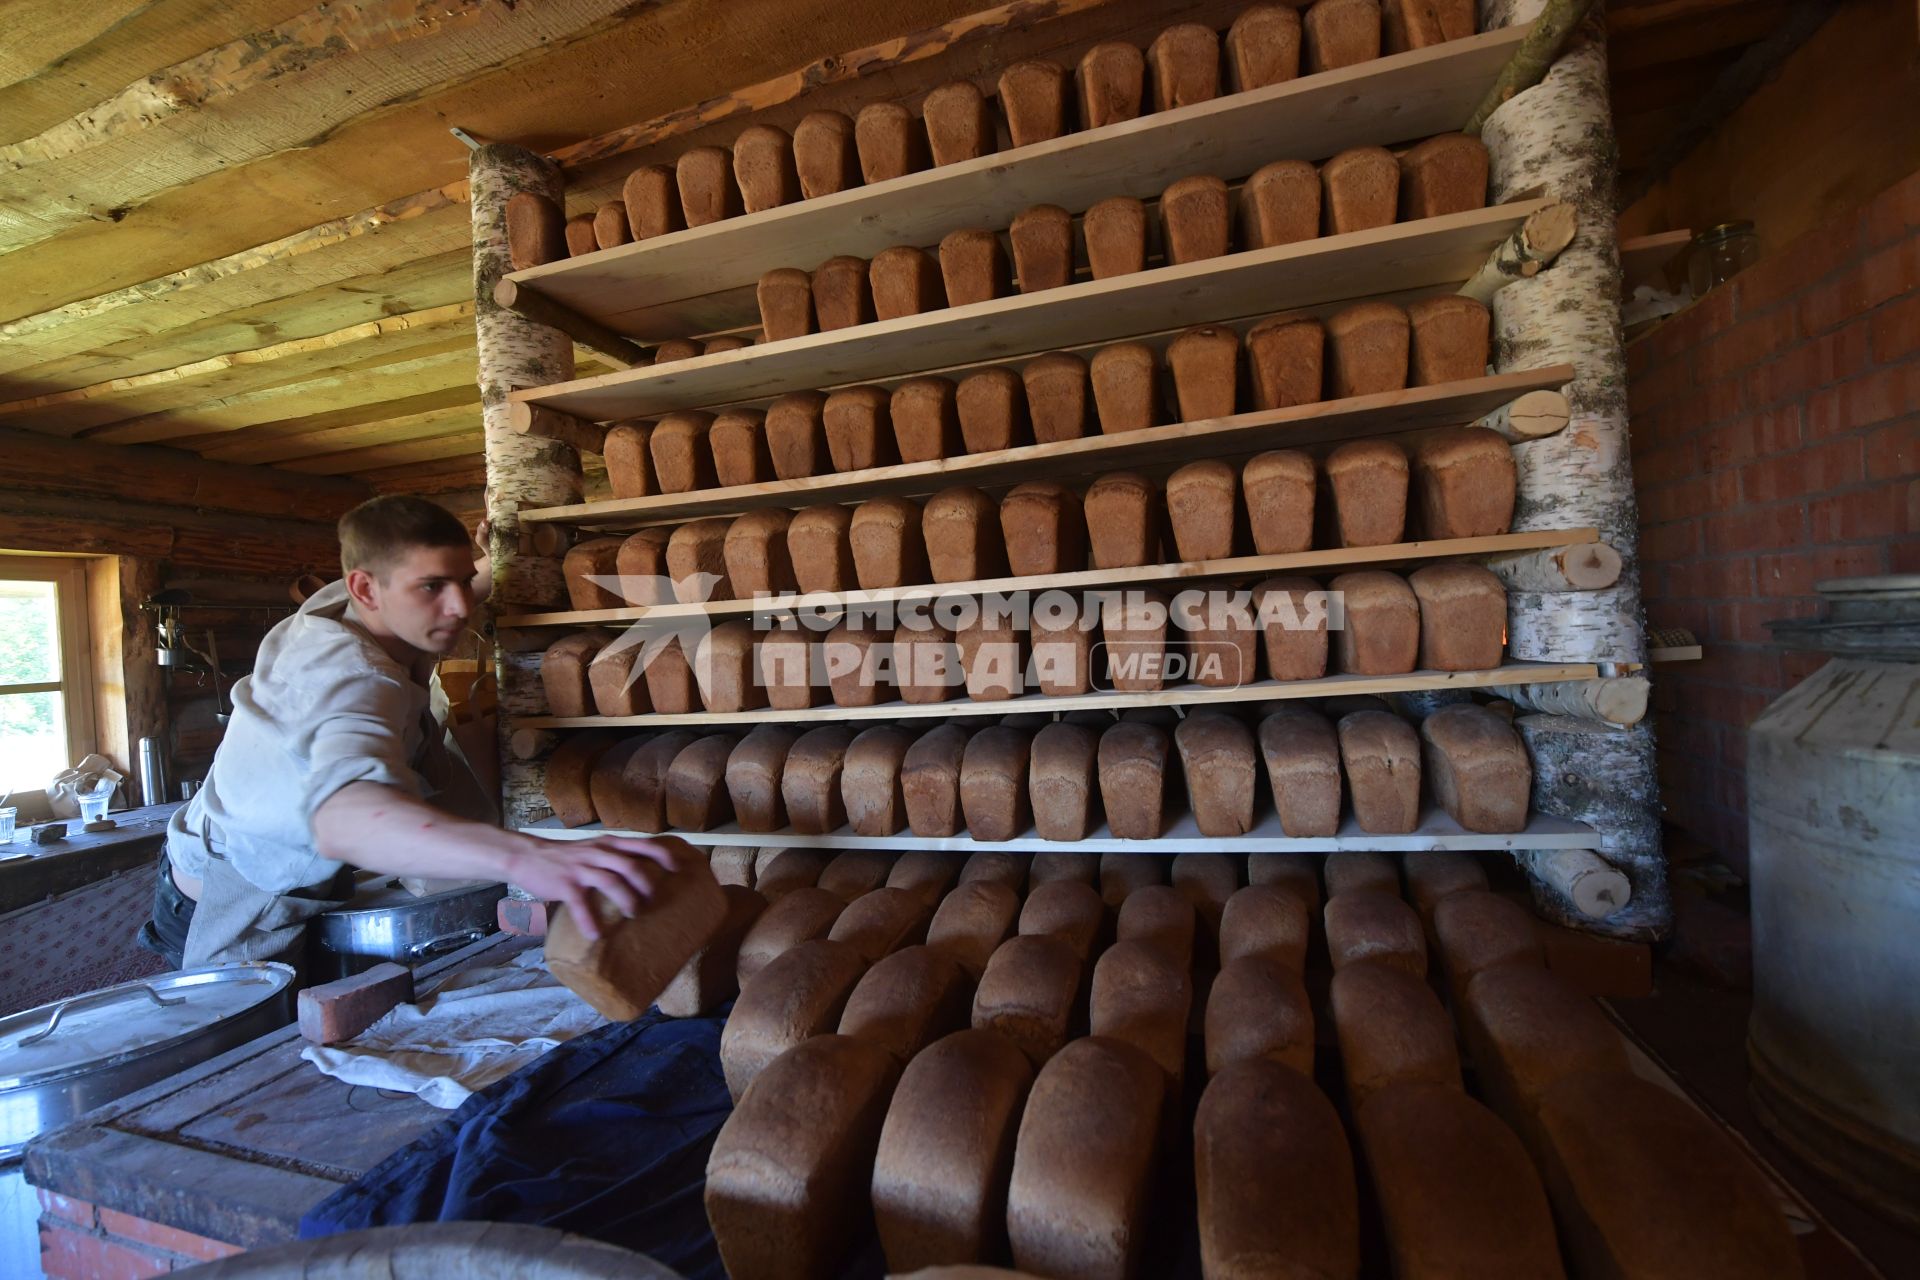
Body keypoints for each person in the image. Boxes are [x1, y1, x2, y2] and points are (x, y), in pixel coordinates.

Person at [139, 495, 674, 972]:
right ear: (365, 588)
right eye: (433, 588)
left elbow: (442, 586)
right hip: (234, 893)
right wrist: (526, 857)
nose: (461, 607)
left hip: (293, 870)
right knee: (253, 1062)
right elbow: (345, 819)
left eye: (463, 581)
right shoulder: (349, 678)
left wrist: (493, 562)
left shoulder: (361, 606)